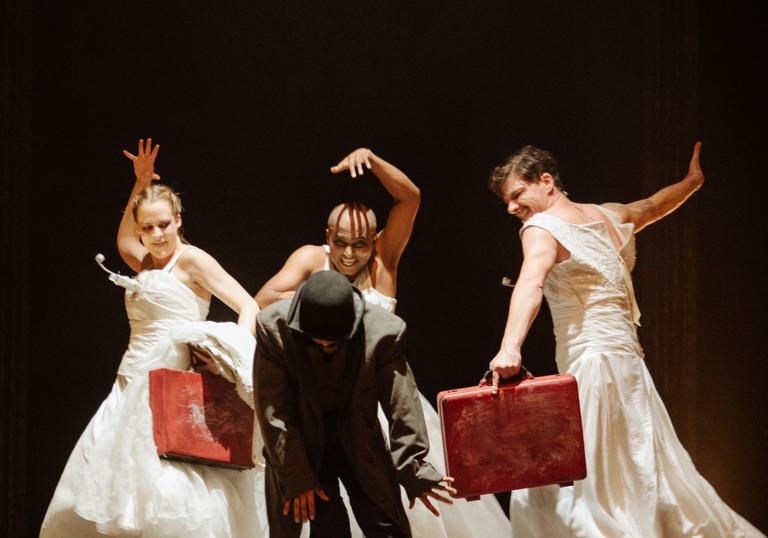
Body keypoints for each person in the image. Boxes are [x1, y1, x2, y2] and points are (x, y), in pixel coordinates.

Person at [488, 142, 765, 537]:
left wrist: (510, 346)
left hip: (594, 366)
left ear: (546, 181)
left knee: (577, 481)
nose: (512, 208)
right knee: (635, 467)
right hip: (627, 365)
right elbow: (652, 206)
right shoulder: (607, 216)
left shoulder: (540, 229)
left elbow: (530, 283)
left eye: (516, 195)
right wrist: (692, 183)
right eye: (507, 201)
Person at [256, 147, 511, 536]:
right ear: (328, 238)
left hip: (369, 403)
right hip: (311, 407)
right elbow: (264, 303)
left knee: (387, 512)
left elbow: (410, 198)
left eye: (359, 245)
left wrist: (372, 161)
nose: (348, 254)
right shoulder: (310, 260)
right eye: (340, 243)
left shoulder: (384, 263)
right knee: (323, 516)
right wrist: (324, 301)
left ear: (374, 241)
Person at [40, 139, 267, 537]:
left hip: (173, 385)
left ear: (178, 219)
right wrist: (140, 183)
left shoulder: (193, 259)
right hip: (129, 382)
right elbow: (122, 240)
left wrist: (227, 354)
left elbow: (249, 306)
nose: (157, 234)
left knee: (170, 489)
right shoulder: (143, 259)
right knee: (118, 490)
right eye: (148, 227)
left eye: (164, 224)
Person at [254, 271, 456, 537]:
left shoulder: (383, 331)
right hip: (300, 445)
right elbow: (273, 411)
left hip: (359, 438)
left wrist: (413, 468)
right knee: (326, 525)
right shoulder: (274, 327)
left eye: (333, 342)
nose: (325, 343)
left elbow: (403, 405)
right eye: (317, 339)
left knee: (384, 524)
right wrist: (296, 475)